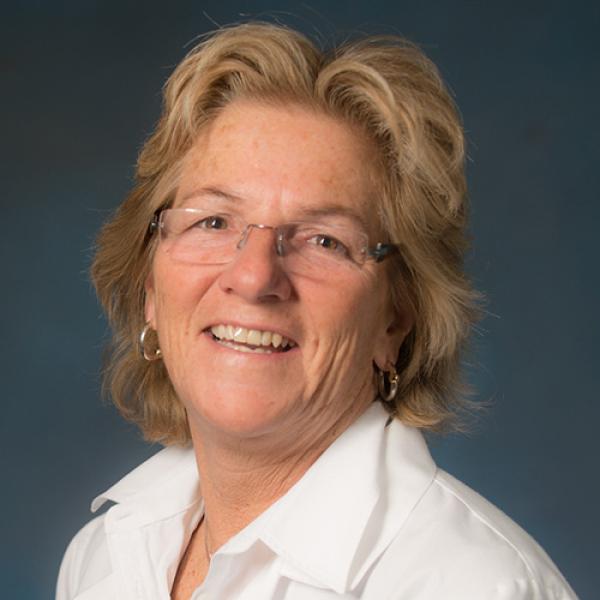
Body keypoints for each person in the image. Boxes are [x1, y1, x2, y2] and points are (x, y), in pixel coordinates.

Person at [56, 22, 577, 600]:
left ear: (396, 318)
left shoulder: (476, 585)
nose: (254, 276)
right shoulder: (104, 555)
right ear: (151, 286)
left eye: (324, 240)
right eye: (213, 221)